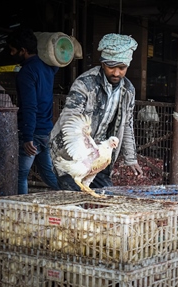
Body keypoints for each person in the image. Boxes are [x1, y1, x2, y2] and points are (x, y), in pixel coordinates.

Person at [50, 33, 143, 190]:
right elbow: (69, 120)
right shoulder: (85, 83)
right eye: (111, 66)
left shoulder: (128, 90)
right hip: (73, 155)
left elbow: (127, 124)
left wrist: (131, 158)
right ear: (102, 63)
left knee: (107, 195)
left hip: (100, 158)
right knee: (73, 199)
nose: (116, 73)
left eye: (122, 68)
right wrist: (85, 149)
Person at [6, 27, 60, 194]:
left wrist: (28, 136)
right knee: (48, 174)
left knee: (20, 175)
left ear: (23, 50)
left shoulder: (26, 73)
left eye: (13, 50)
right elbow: (58, 61)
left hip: (33, 132)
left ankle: (20, 212)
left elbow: (30, 105)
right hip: (46, 131)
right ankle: (77, 196)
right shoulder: (48, 68)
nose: (11, 53)